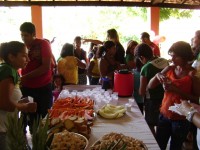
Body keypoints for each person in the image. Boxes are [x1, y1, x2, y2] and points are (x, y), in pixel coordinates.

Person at [148, 41, 199, 150]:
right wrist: (157, 75)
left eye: (176, 57)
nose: (172, 59)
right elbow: (150, 86)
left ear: (185, 57)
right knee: (159, 145)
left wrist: (175, 90)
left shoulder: (192, 74)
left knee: (175, 147)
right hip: (164, 114)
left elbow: (197, 99)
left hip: (181, 119)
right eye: (171, 56)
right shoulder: (169, 69)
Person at [0, 41, 37, 150]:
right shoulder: (8, 71)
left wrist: (21, 102)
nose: (28, 59)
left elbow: (7, 99)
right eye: (24, 56)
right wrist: (26, 107)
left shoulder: (8, 70)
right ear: (11, 57)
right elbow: (4, 104)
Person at [20, 22, 53, 133]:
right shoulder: (23, 47)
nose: (23, 38)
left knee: (43, 117)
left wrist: (24, 77)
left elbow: (45, 67)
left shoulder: (43, 44)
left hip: (42, 88)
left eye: (26, 35)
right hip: (27, 88)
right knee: (30, 118)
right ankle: (34, 140)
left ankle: (42, 142)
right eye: (22, 35)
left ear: (33, 34)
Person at [135, 43, 168, 137]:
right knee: (162, 124)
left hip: (152, 101)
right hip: (166, 98)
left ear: (142, 57)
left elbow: (141, 92)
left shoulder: (146, 68)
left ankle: (155, 144)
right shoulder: (165, 61)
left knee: (150, 124)